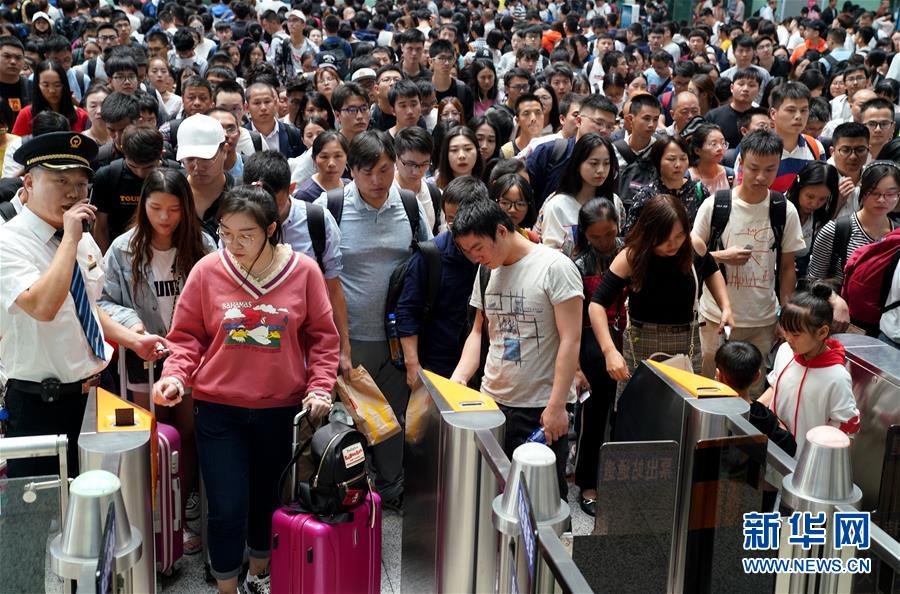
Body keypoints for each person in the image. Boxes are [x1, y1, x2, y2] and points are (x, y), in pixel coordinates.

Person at [152, 184, 339, 594]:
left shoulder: (304, 272)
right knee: (227, 504)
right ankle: (225, 585)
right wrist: (176, 376)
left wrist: (320, 387)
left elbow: (323, 339)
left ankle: (258, 573)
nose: (233, 244)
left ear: (271, 229)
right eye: (226, 233)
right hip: (219, 409)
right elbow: (186, 338)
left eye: (246, 235)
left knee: (267, 501)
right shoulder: (207, 271)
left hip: (281, 408)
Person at [0, 132, 166, 478]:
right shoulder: (10, 241)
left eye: (80, 182)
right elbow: (43, 306)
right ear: (28, 182)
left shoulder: (82, 239)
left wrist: (132, 339)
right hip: (39, 404)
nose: (74, 193)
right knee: (39, 517)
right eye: (60, 181)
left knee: (95, 507)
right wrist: (71, 238)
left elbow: (87, 308)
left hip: (92, 394)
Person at [313, 130, 432, 509]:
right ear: (351, 170)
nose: (378, 181)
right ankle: (349, 492)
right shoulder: (329, 207)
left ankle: (392, 490)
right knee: (352, 420)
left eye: (384, 170)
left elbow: (427, 262)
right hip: (349, 338)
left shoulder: (411, 205)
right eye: (367, 172)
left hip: (398, 339)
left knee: (393, 421)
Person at [99, 168, 215, 553]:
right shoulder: (122, 248)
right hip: (141, 361)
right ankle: (151, 519)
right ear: (142, 205)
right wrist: (136, 330)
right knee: (150, 441)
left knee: (188, 437)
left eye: (174, 209)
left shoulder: (203, 245)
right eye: (155, 208)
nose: (165, 218)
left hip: (191, 362)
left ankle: (182, 513)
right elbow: (103, 301)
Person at [450, 197, 583, 498]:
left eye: (478, 248)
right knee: (493, 497)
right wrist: (458, 380)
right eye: (467, 251)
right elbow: (478, 332)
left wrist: (557, 405)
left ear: (500, 231)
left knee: (543, 499)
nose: (474, 258)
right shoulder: (485, 271)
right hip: (492, 402)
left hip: (539, 407)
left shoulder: (555, 267)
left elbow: (571, 339)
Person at [692, 131, 807, 390]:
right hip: (715, 318)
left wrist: (784, 315)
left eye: (770, 169)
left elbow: (788, 268)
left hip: (762, 320)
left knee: (751, 392)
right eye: (754, 168)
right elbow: (690, 258)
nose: (761, 177)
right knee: (709, 386)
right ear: (741, 162)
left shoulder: (783, 209)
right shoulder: (716, 206)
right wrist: (723, 256)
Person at [590, 195, 733, 389]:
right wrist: (609, 351)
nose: (673, 244)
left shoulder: (693, 245)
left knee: (683, 410)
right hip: (641, 339)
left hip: (687, 340)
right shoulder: (631, 257)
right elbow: (596, 304)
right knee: (641, 407)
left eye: (679, 236)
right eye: (663, 239)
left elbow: (712, 271)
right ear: (649, 233)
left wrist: (725, 306)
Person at [758, 283, 860, 456]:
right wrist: (753, 409)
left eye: (796, 334)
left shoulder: (837, 377)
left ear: (822, 333)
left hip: (807, 464)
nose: (788, 338)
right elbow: (775, 387)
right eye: (786, 330)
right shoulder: (785, 352)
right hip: (773, 450)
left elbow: (846, 428)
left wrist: (820, 462)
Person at [395, 176, 480, 383]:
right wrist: (413, 364)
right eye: (449, 219)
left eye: (460, 218)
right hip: (437, 366)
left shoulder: (495, 254)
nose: (455, 226)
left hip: (486, 367)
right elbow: (407, 310)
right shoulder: (431, 255)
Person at [572, 197, 624, 516]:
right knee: (592, 420)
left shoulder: (630, 253)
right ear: (585, 235)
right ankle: (588, 483)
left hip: (628, 341)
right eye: (596, 236)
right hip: (592, 346)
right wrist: (576, 365)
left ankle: (619, 482)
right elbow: (573, 320)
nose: (605, 242)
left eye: (609, 233)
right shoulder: (578, 265)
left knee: (624, 417)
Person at [808, 161, 900, 289]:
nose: (882, 200)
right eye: (874, 192)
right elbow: (813, 281)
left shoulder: (897, 234)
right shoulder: (835, 230)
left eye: (890, 194)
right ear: (862, 190)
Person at [93, 126, 181, 252]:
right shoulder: (107, 177)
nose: (140, 173)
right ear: (123, 150)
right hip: (121, 252)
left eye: (149, 168)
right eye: (133, 166)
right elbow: (101, 227)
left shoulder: (176, 175)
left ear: (161, 153)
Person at [535, 134, 621, 256]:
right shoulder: (557, 205)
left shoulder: (615, 201)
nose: (601, 170)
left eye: (606, 163)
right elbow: (550, 253)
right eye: (594, 163)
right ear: (577, 164)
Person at [736, 81, 824, 193]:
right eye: (791, 110)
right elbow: (741, 193)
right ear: (773, 114)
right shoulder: (754, 147)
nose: (798, 116)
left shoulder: (815, 147)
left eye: (804, 110)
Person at [715, 341, 797, 457]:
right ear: (757, 376)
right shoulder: (762, 416)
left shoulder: (709, 409)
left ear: (718, 375)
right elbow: (790, 447)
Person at [624, 135, 710, 234]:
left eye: (683, 159)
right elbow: (631, 235)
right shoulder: (647, 196)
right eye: (671, 159)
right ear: (658, 161)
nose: (678, 165)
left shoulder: (699, 191)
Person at [178, 114, 233, 239]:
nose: (198, 166)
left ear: (224, 150)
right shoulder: (172, 191)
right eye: (190, 159)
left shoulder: (239, 195)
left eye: (206, 159)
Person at [785, 161, 839, 278]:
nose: (814, 204)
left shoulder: (820, 219)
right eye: (810, 196)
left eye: (822, 199)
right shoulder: (779, 209)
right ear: (799, 186)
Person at [12, 60, 88, 136]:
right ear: (37, 85)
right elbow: (16, 144)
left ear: (64, 85)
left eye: (57, 85)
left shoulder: (81, 116)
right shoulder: (26, 114)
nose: (52, 90)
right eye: (45, 85)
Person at [394, 126, 442, 233]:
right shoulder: (383, 192)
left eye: (424, 164)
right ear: (396, 158)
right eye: (410, 164)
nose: (416, 172)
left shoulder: (435, 195)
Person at [705, 68, 762, 149]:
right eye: (741, 84)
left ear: (758, 90)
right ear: (732, 88)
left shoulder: (762, 117)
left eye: (751, 85)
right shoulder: (713, 116)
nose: (745, 89)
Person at [293, 130, 349, 203]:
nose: (331, 163)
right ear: (314, 159)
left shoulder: (350, 187)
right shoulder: (305, 196)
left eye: (338, 156)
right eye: (324, 157)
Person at [687, 122, 732, 194]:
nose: (720, 148)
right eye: (714, 144)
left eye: (723, 143)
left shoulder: (730, 175)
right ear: (697, 150)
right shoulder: (687, 177)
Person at [500, 94, 544, 158]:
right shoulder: (507, 151)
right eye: (526, 114)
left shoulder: (551, 146)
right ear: (517, 120)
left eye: (538, 113)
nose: (533, 118)